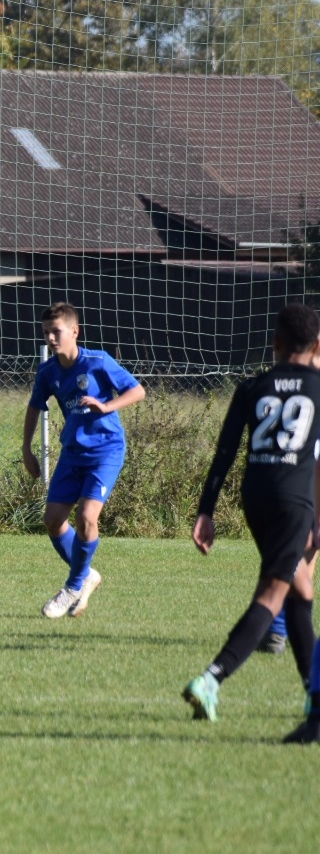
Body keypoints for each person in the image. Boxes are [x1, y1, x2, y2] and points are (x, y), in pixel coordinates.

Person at [181, 303, 320, 726]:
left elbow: (224, 453)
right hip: (293, 503)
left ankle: (314, 701)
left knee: (301, 593)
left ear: (275, 343)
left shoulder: (252, 387)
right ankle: (211, 678)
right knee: (272, 595)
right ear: (316, 345)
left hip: (255, 498)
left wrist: (206, 510)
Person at [21, 303, 145, 618]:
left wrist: (107, 406)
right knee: (52, 520)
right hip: (72, 453)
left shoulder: (98, 361)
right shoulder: (47, 372)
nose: (50, 338)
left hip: (106, 450)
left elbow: (138, 391)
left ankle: (74, 585)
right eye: (46, 332)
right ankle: (88, 575)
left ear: (74, 331)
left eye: (56, 332)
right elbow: (35, 407)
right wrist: (26, 449)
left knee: (88, 517)